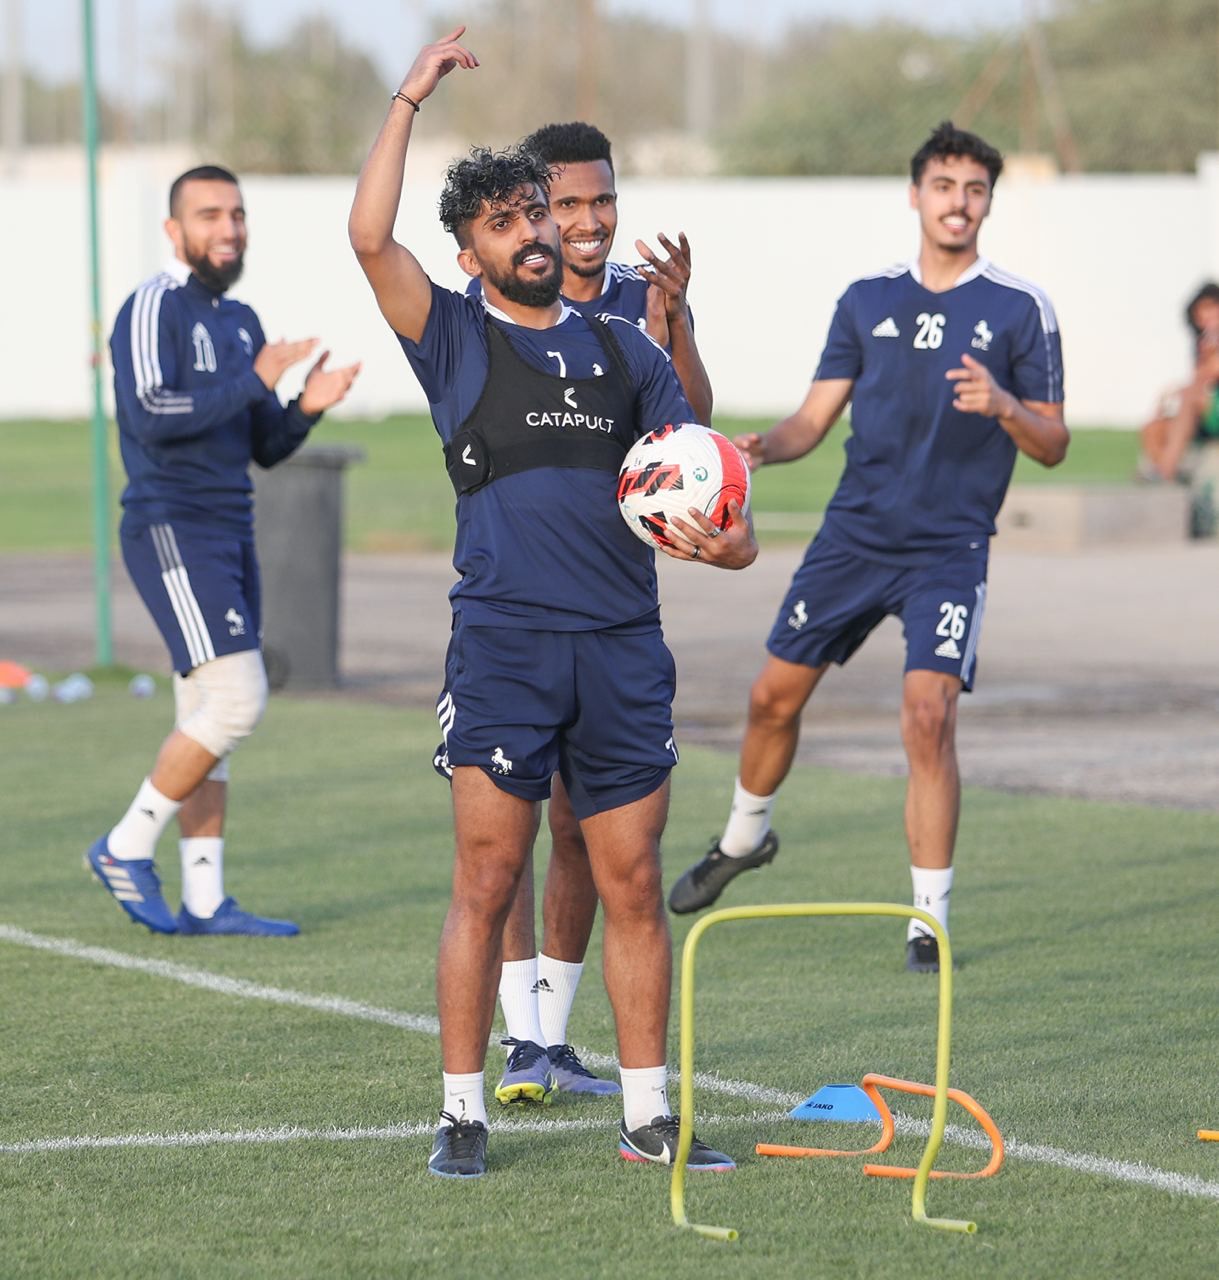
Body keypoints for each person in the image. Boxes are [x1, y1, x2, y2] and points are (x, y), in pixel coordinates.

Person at [348, 26, 756, 1178]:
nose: (535, 231)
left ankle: (647, 1115)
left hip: (625, 648)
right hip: (506, 645)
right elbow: (367, 236)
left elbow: (727, 512)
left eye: (538, 211)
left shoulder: (633, 354)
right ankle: (463, 1112)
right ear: (472, 252)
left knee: (631, 881)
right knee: (486, 879)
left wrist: (722, 548)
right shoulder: (455, 337)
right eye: (506, 222)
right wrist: (408, 98)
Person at [668, 121, 1068, 976]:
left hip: (948, 549)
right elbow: (812, 421)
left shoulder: (1018, 309)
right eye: (944, 186)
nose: (958, 203)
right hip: (851, 538)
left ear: (987, 203)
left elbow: (1053, 443)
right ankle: (744, 838)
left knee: (928, 716)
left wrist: (1002, 403)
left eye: (974, 190)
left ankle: (928, 920)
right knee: (772, 698)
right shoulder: (865, 299)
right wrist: (756, 450)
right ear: (915, 193)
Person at [455, 120, 714, 1101]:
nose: (588, 221)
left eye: (601, 200)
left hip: (613, 612)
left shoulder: (642, 298)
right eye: (565, 204)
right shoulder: (500, 297)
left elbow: (693, 428)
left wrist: (676, 320)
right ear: (528, 212)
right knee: (508, 832)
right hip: (516, 616)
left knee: (588, 833)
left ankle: (550, 1039)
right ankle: (521, 1035)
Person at [87, 164, 360, 937]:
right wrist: (256, 379)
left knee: (206, 711)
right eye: (209, 215)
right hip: (170, 525)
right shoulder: (152, 305)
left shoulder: (240, 319)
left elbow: (263, 445)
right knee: (238, 700)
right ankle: (123, 844)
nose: (228, 228)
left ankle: (204, 898)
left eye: (236, 214)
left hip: (230, 529)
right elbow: (149, 413)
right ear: (174, 231)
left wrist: (303, 402)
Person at [1138, 285, 1219, 484]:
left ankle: (1166, 470)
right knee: (1153, 427)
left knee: (1190, 397)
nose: (1206, 315)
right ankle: (1166, 476)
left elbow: (1207, 376)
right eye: (1201, 311)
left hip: (1210, 408)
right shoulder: (1202, 343)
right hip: (1204, 412)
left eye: (1211, 308)